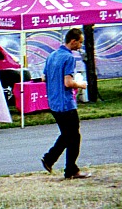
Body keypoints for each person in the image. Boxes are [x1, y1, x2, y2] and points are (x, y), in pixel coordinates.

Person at [41, 28, 91, 179]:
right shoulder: (69, 58)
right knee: (74, 137)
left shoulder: (52, 56)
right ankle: (70, 169)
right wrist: (81, 85)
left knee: (67, 134)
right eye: (80, 42)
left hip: (54, 102)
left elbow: (44, 78)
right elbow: (68, 83)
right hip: (66, 103)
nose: (81, 46)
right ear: (73, 41)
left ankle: (50, 159)